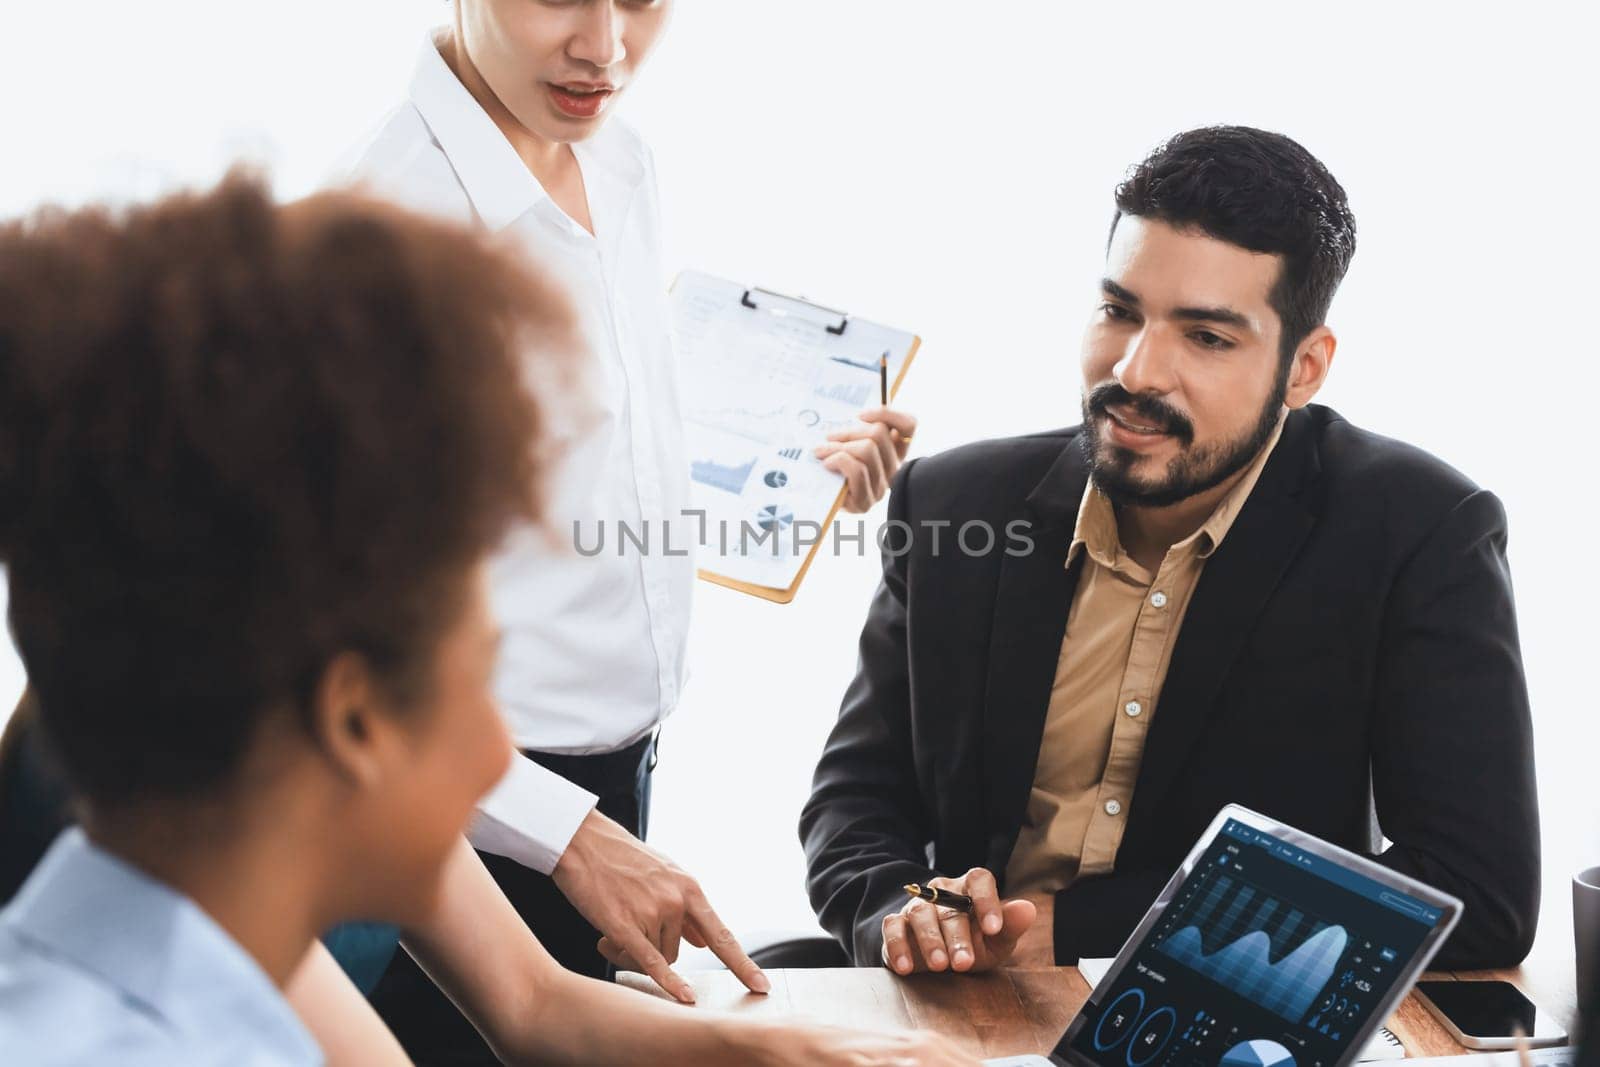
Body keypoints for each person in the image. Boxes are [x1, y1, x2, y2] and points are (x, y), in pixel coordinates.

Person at [0, 176, 981, 1067]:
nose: (498, 758)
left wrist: (802, 1051)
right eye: (485, 675)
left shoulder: (213, 909)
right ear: (354, 720)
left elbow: (535, 1005)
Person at [799, 125, 1541, 979]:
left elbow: (1476, 893)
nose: (1140, 370)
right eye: (1120, 311)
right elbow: (857, 798)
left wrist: (1071, 927)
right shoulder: (953, 502)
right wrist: (904, 912)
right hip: (962, 1003)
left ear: (1304, 368)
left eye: (1207, 337)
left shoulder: (1421, 528)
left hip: (1222, 1010)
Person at [341, 2, 916, 1059]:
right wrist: (563, 831)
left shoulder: (613, 152)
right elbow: (313, 653)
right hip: (454, 815)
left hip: (608, 783)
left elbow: (584, 439)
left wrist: (789, 468)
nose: (605, 47)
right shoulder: (377, 246)